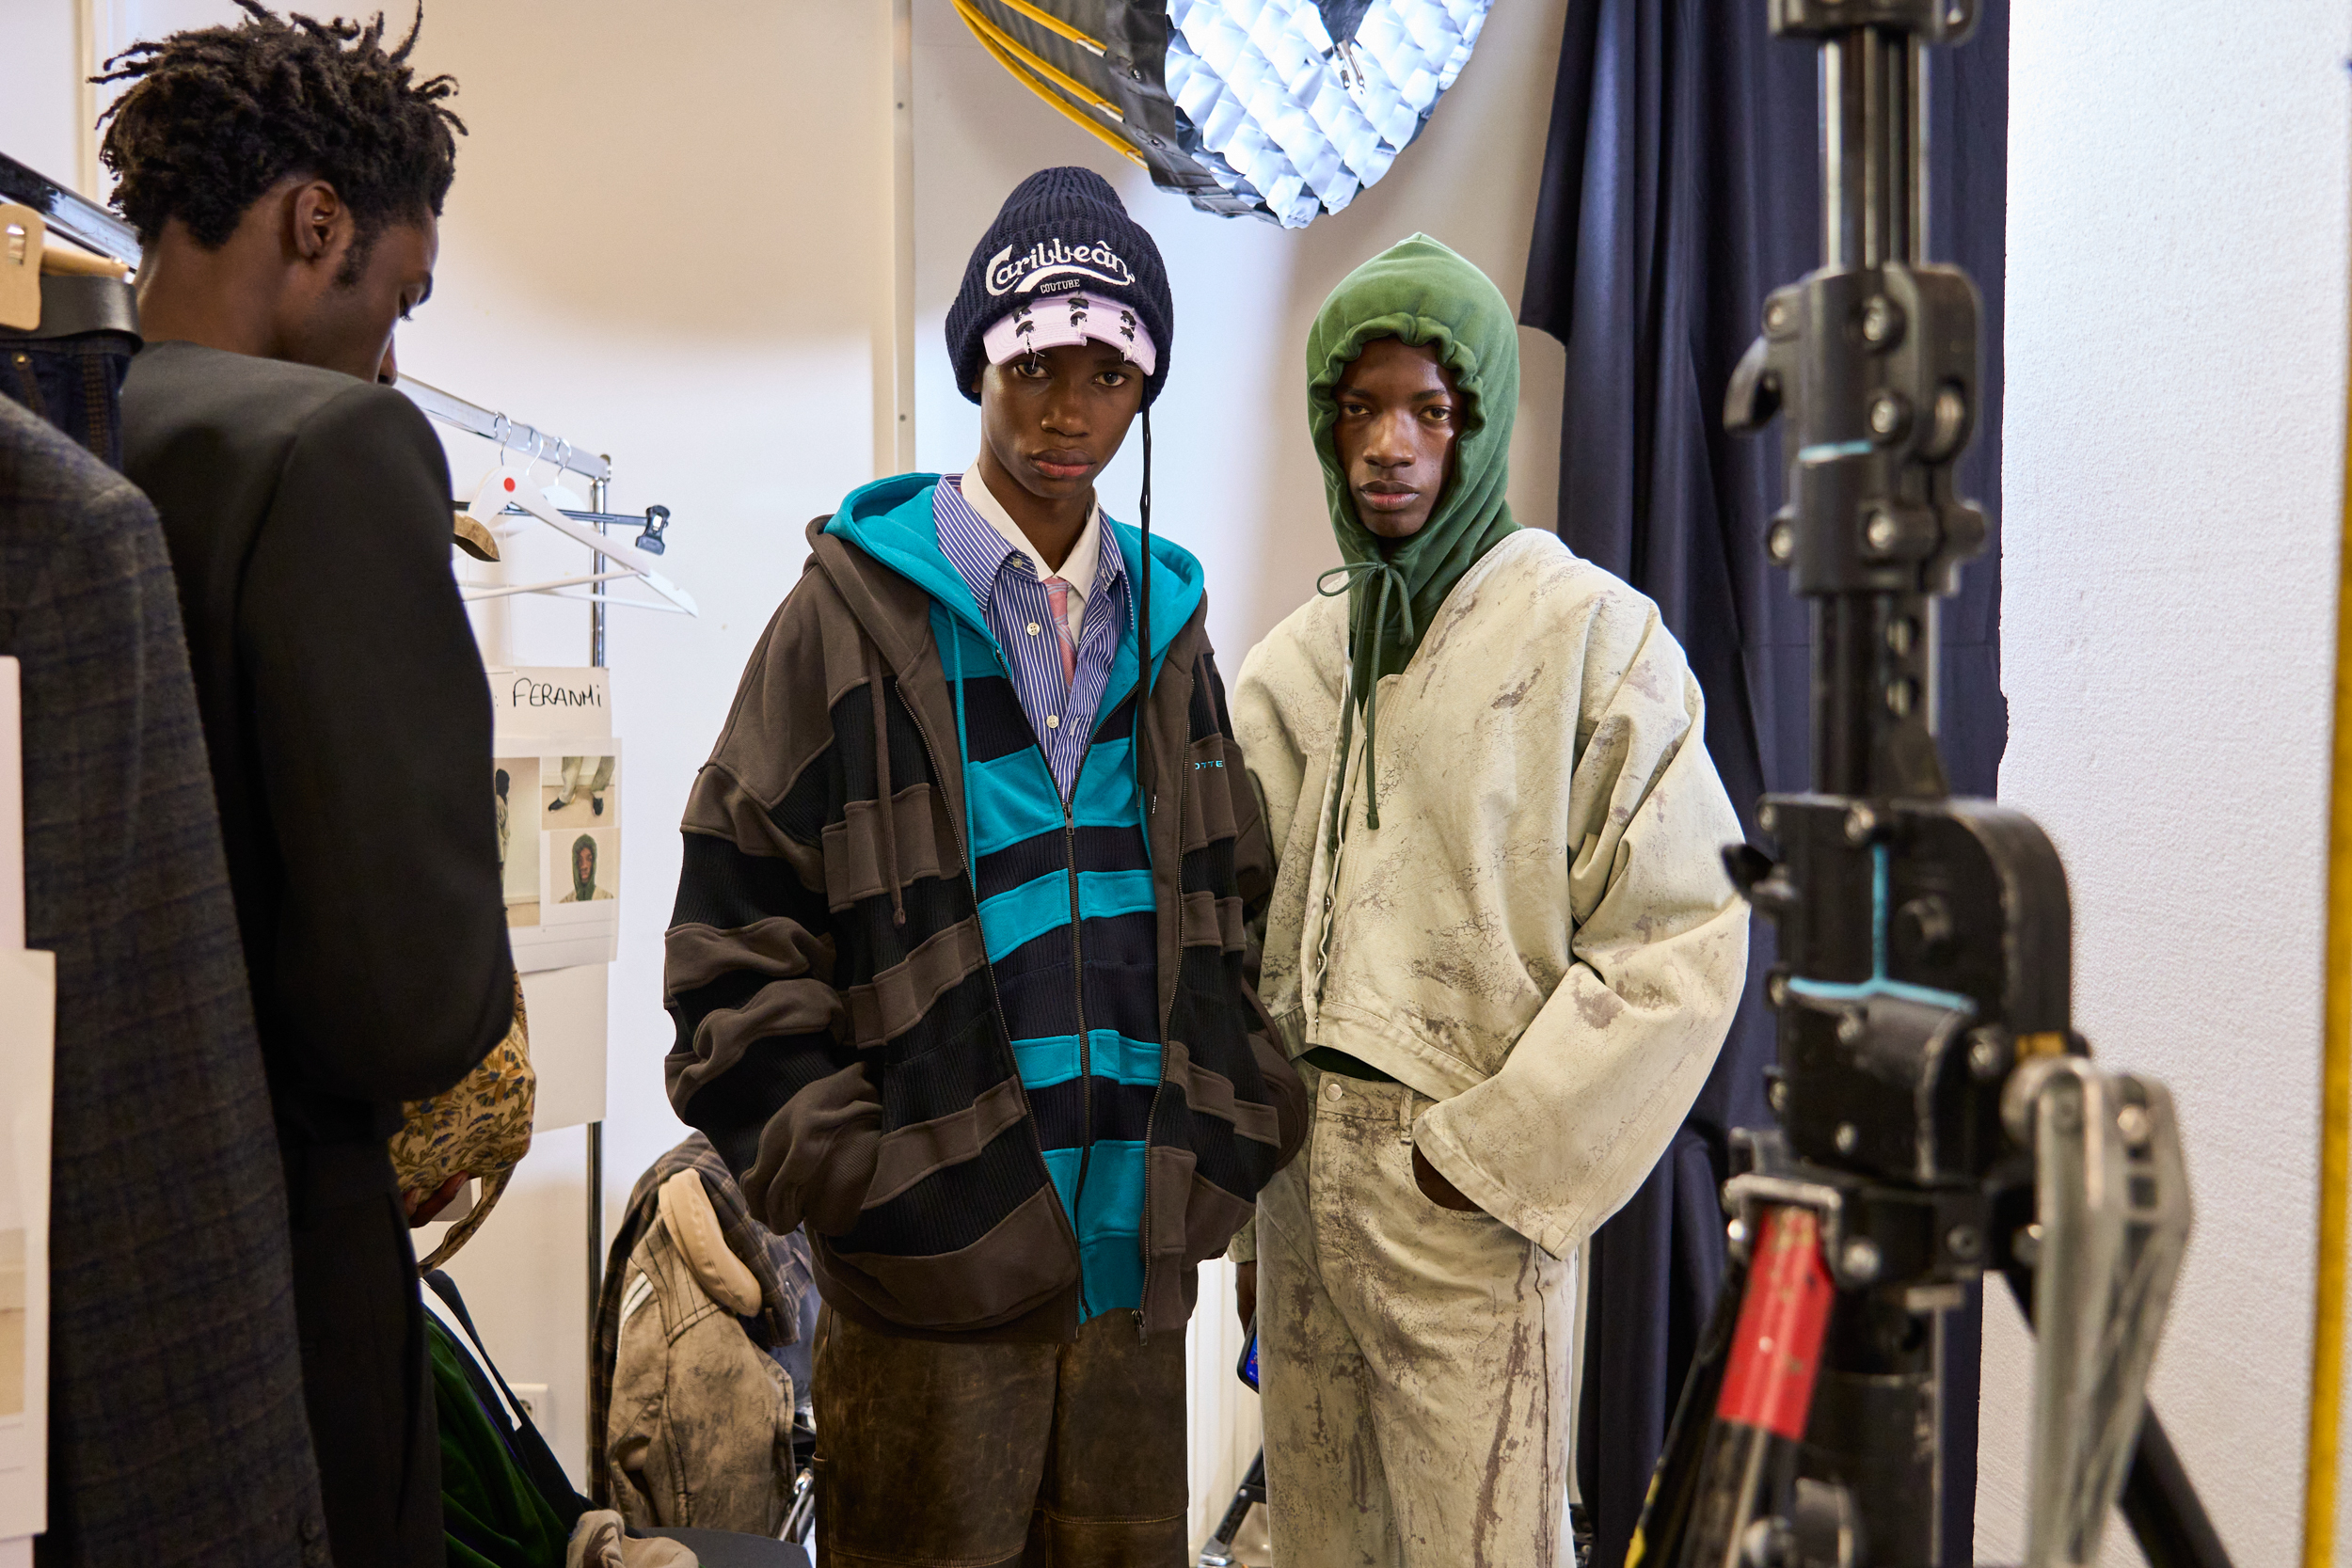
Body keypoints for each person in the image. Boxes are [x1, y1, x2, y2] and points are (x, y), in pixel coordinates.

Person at [664, 166, 1305, 1565]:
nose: (1070, 408)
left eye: (1107, 372)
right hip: (923, 1289)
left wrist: (1227, 1136)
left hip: (1133, 1280)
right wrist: (865, 1177)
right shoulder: (843, 620)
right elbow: (729, 935)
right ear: (977, 361)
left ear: (1143, 391)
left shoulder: (1170, 629)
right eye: (1035, 365)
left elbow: (1235, 911)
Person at [1230, 235, 1749, 1567]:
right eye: (1360, 408)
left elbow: (1682, 938)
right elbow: (1225, 931)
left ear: (1481, 419)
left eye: (1428, 409)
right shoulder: (1294, 663)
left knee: (1481, 1547)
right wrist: (1245, 1164)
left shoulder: (1589, 634)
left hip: (1458, 1192)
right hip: (1302, 1189)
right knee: (1317, 1538)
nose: (1389, 444)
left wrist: (1487, 1164)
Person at [103, 9, 515, 1567]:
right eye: (399, 293)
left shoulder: (49, 439)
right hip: (276, 1254)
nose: (397, 349)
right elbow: (406, 998)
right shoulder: (336, 450)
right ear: (315, 224)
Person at [560, 832, 615, 902]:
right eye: (580, 860)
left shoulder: (607, 898)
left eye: (589, 859)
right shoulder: (566, 902)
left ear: (594, 863)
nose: (584, 866)